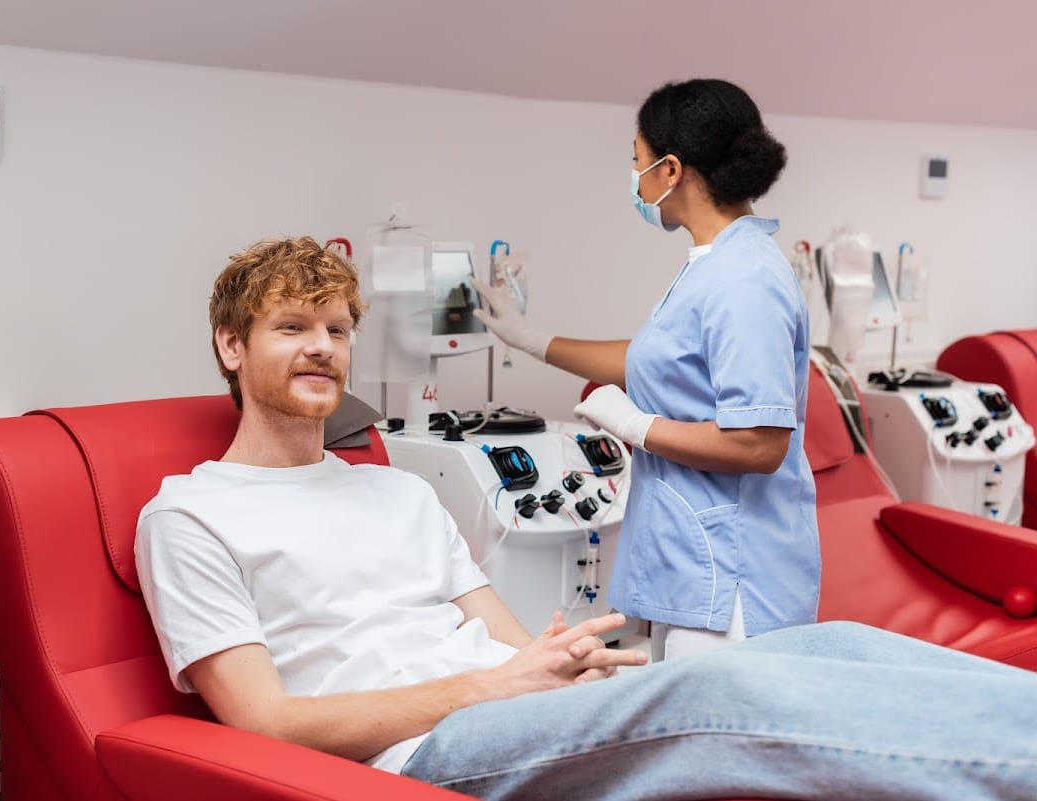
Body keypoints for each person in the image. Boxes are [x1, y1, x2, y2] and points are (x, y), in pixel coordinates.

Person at [134, 235, 1037, 801]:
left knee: (822, 646)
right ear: (230, 344)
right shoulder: (193, 516)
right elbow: (262, 725)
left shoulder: (398, 491)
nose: (323, 348)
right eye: (292, 327)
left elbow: (507, 643)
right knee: (717, 687)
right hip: (422, 753)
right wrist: (490, 689)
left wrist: (567, 664)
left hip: (507, 715)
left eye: (335, 328)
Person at [473, 79, 816, 661]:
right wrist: (531, 340)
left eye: (636, 162)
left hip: (732, 586)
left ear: (671, 170)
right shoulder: (714, 263)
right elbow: (653, 361)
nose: (634, 180)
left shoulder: (743, 280)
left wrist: (637, 427)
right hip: (694, 573)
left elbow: (760, 444)